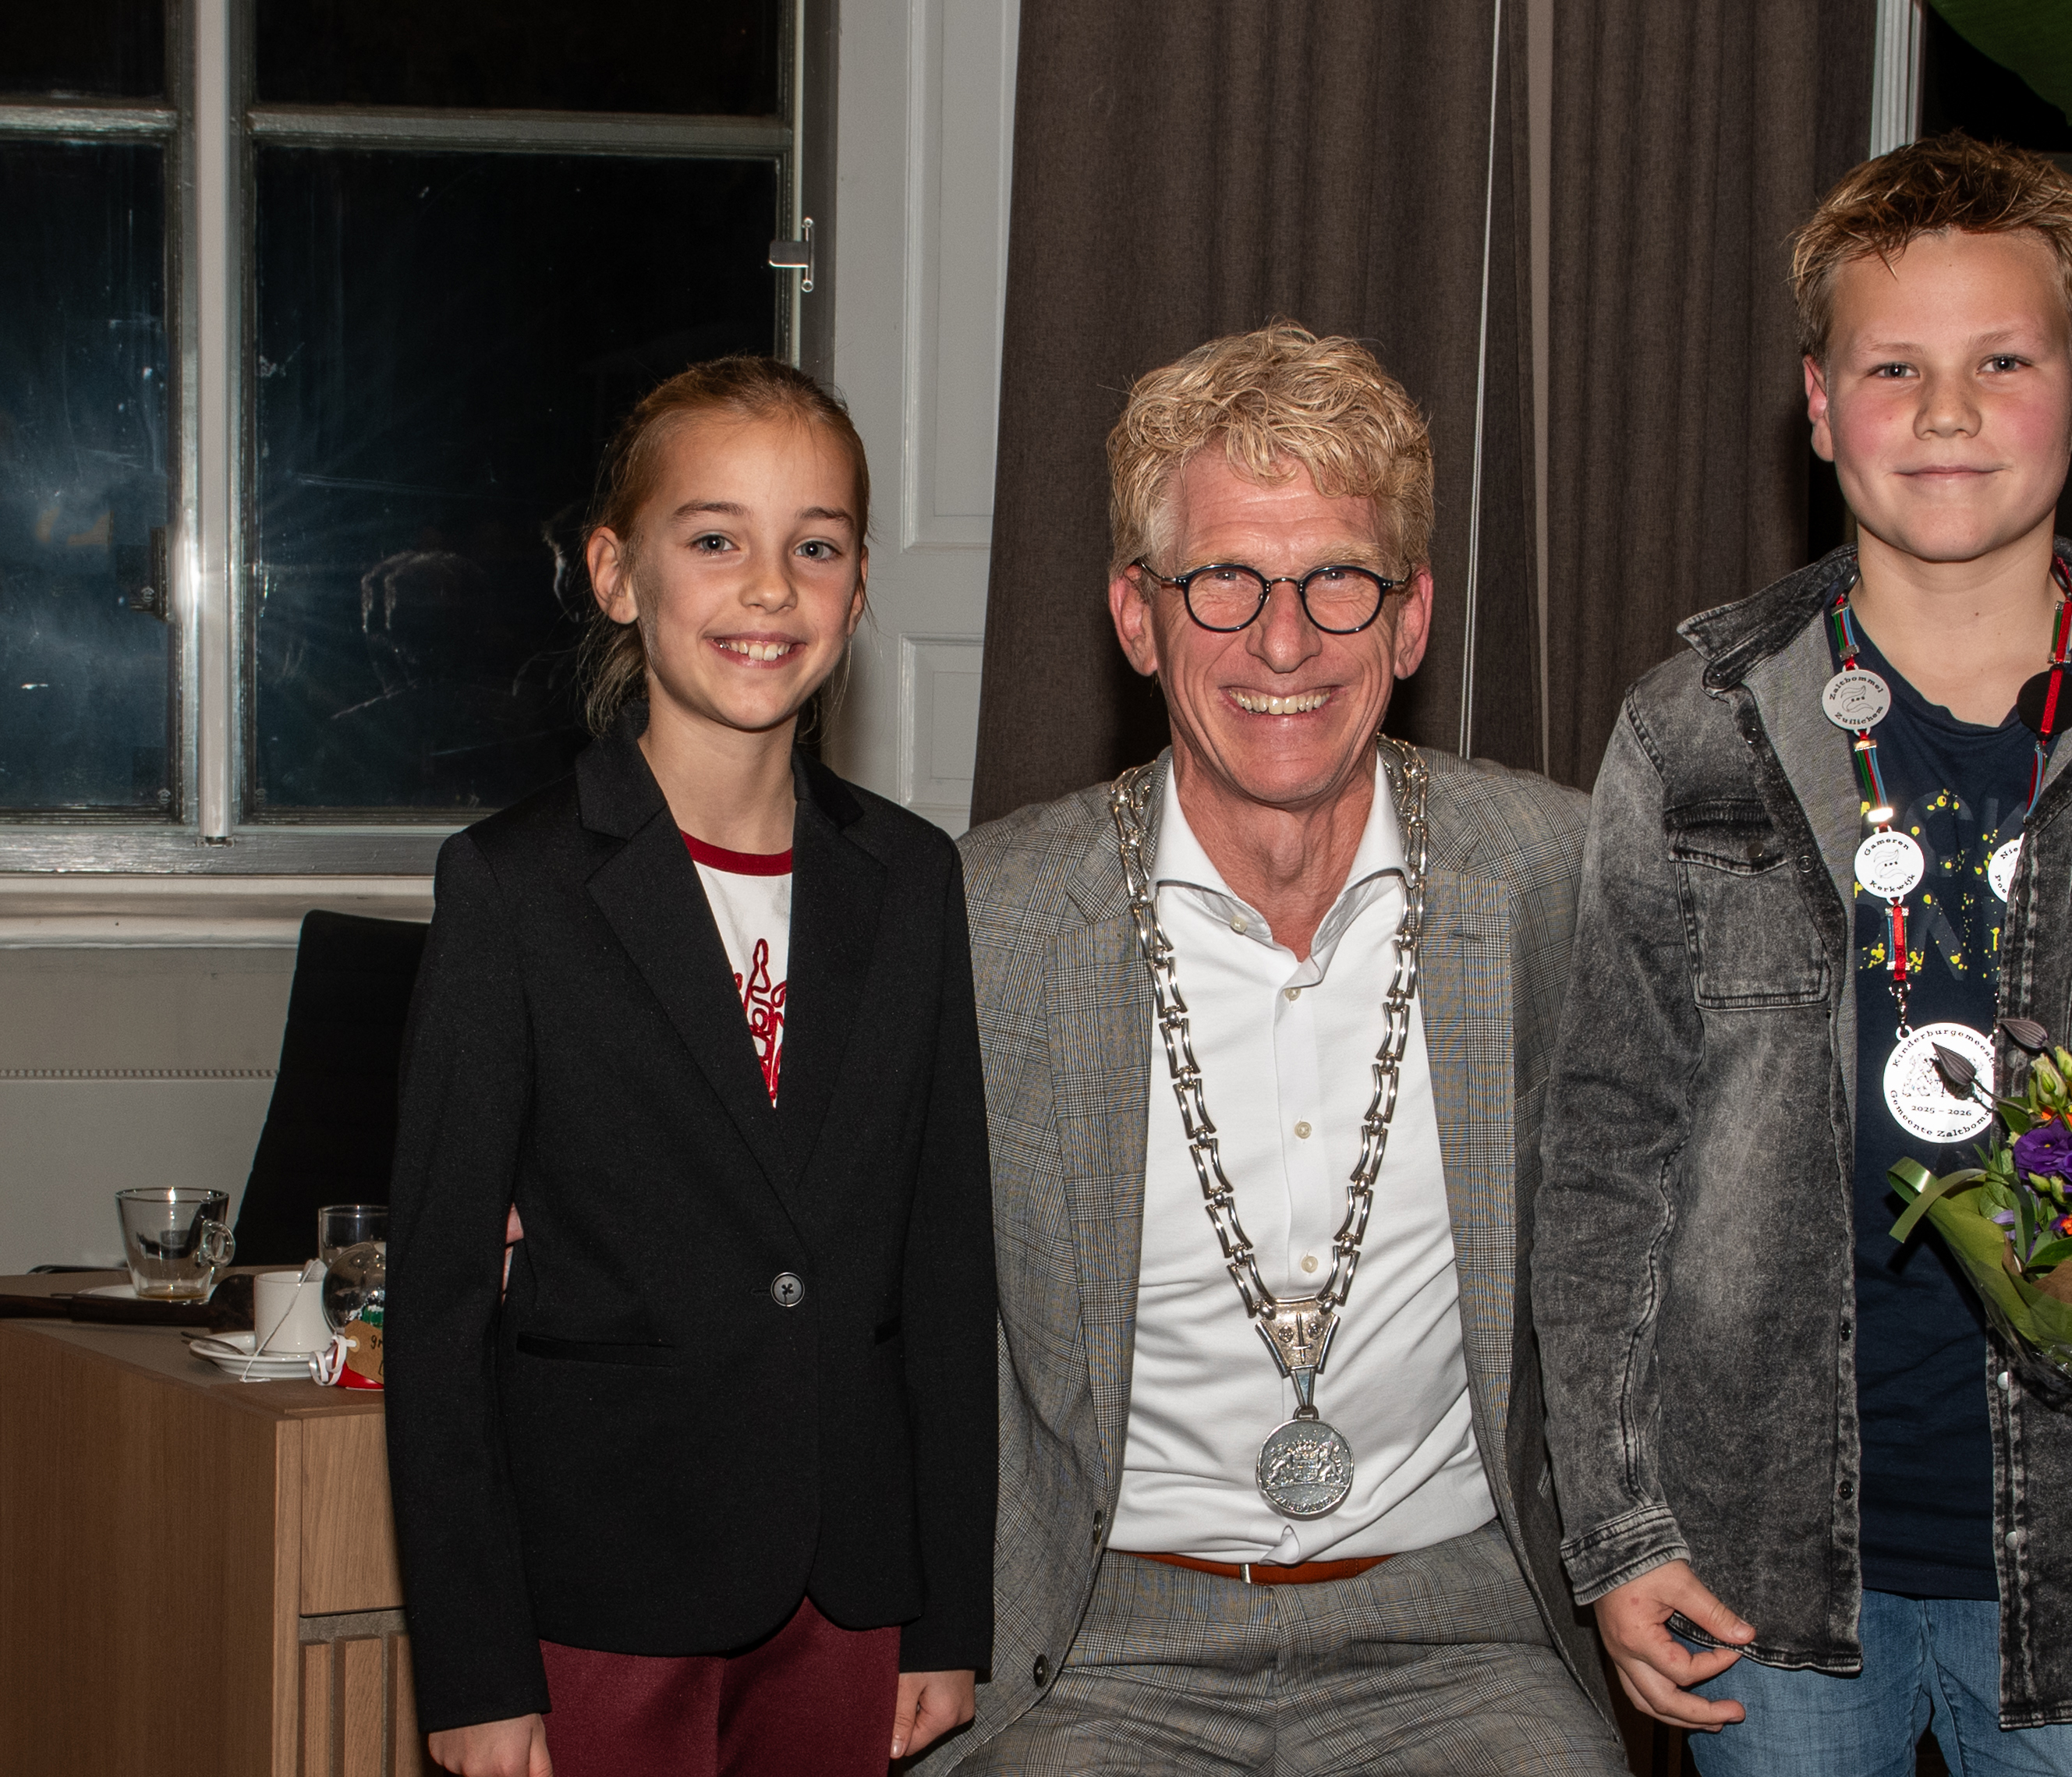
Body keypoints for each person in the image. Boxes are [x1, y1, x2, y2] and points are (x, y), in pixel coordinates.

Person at [1533, 135, 2072, 1775]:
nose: (1945, 412)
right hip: (1759, 1576)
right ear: (1818, 407)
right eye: (1892, 367)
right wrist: (1618, 1526)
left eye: (2001, 364)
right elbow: (1604, 1158)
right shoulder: (1690, 734)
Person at [926, 323, 1624, 1775]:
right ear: (1137, 616)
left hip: (1461, 1629)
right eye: (1223, 580)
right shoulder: (987, 919)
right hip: (1098, 1640)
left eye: (1338, 581)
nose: (1284, 642)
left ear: (1410, 619)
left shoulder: (1555, 874)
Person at [384, 356, 996, 1777]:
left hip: (848, 1590)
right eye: (715, 538)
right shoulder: (512, 887)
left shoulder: (913, 880)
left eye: (816, 547)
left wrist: (946, 1611)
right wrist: (473, 1668)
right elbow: (439, 1308)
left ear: (857, 587)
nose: (768, 587)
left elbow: (944, 1268)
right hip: (600, 1588)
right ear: (617, 573)